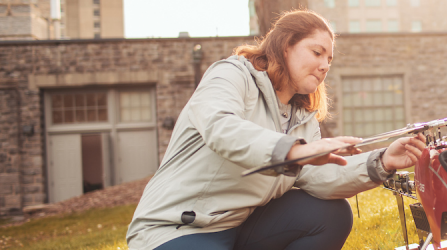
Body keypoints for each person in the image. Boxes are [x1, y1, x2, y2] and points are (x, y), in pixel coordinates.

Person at [126, 10, 427, 250]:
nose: (325, 66)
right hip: (177, 229)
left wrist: (383, 160)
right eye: (317, 52)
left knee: (331, 214)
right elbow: (221, 127)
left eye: (329, 59)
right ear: (286, 46)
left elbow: (319, 177)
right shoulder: (232, 74)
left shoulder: (302, 116)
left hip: (241, 227)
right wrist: (295, 151)